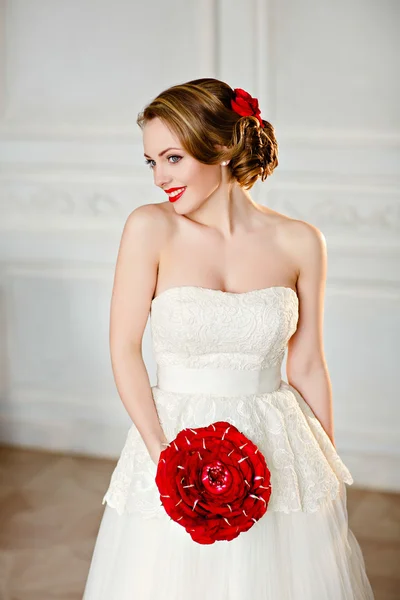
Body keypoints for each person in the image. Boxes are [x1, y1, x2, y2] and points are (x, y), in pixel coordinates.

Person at [83, 78, 374, 599]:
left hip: (278, 441)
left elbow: (307, 365)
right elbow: (124, 350)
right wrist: (163, 457)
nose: (159, 179)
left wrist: (325, 471)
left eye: (172, 158)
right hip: (172, 439)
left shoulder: (301, 241)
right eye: (151, 162)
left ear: (218, 147)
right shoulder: (150, 229)